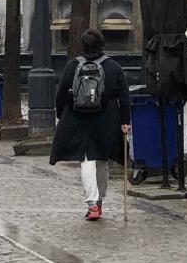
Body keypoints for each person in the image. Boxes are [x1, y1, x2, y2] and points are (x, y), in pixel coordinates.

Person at [49, 30, 130, 221]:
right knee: (101, 159)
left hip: (78, 119)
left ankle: (92, 203)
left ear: (83, 45)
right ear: (102, 44)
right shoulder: (114, 67)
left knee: (86, 160)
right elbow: (124, 97)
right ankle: (100, 199)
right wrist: (125, 121)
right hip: (107, 119)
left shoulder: (73, 65)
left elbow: (60, 94)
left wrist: (62, 116)